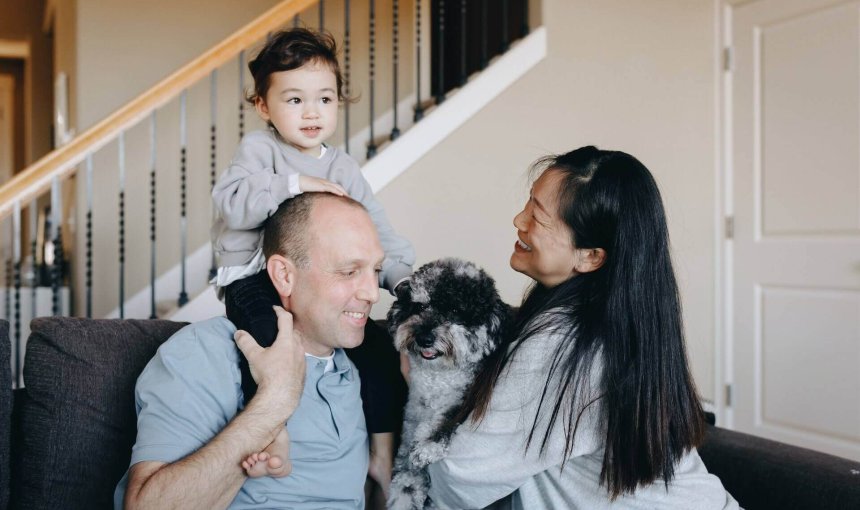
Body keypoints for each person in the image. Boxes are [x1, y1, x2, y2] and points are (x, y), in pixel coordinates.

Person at [421, 146, 739, 509]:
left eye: (537, 217)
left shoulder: (564, 346)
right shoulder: (618, 326)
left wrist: (422, 380)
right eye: (528, 202)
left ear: (590, 256)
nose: (518, 220)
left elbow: (459, 479)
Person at [210, 28, 412, 487]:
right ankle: (272, 433)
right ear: (264, 106)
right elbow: (231, 203)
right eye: (294, 100)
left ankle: (382, 456)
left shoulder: (343, 166)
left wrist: (402, 280)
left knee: (378, 350)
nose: (312, 112)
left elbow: (375, 227)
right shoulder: (260, 150)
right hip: (254, 277)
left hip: (313, 281)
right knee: (270, 337)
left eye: (324, 99)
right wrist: (295, 184)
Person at [117, 193, 385, 509]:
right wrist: (275, 400)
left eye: (376, 270)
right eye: (349, 271)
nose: (372, 293)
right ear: (285, 276)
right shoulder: (205, 352)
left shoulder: (360, 367)